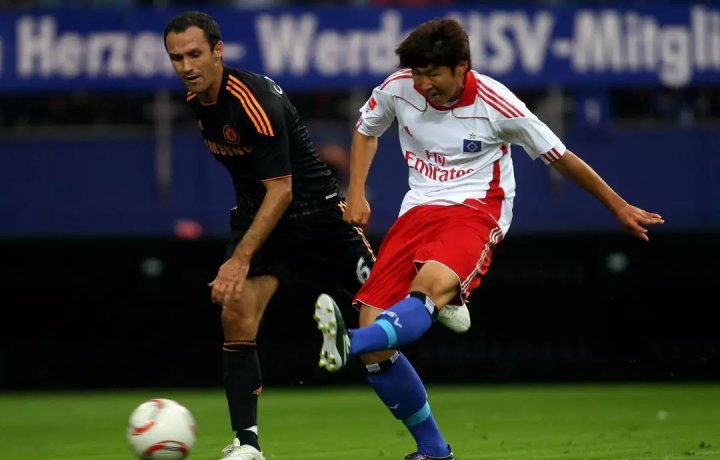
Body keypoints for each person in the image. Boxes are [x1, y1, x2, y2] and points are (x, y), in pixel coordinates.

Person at [314, 17, 664, 460]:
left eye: (432, 74)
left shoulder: (498, 103)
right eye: (417, 73)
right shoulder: (398, 87)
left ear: (461, 67)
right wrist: (356, 193)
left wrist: (618, 206)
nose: (422, 84)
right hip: (417, 211)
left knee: (425, 290)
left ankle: (355, 339)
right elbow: (366, 130)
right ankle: (433, 449)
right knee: (376, 345)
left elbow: (561, 157)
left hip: (476, 210)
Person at [162, 11, 378, 460]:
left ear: (218, 50)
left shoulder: (253, 99)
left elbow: (282, 190)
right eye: (177, 58)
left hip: (315, 213)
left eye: (195, 54)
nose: (186, 66)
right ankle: (247, 444)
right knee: (236, 314)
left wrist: (238, 259)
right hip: (258, 214)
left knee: (385, 312)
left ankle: (436, 297)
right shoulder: (196, 101)